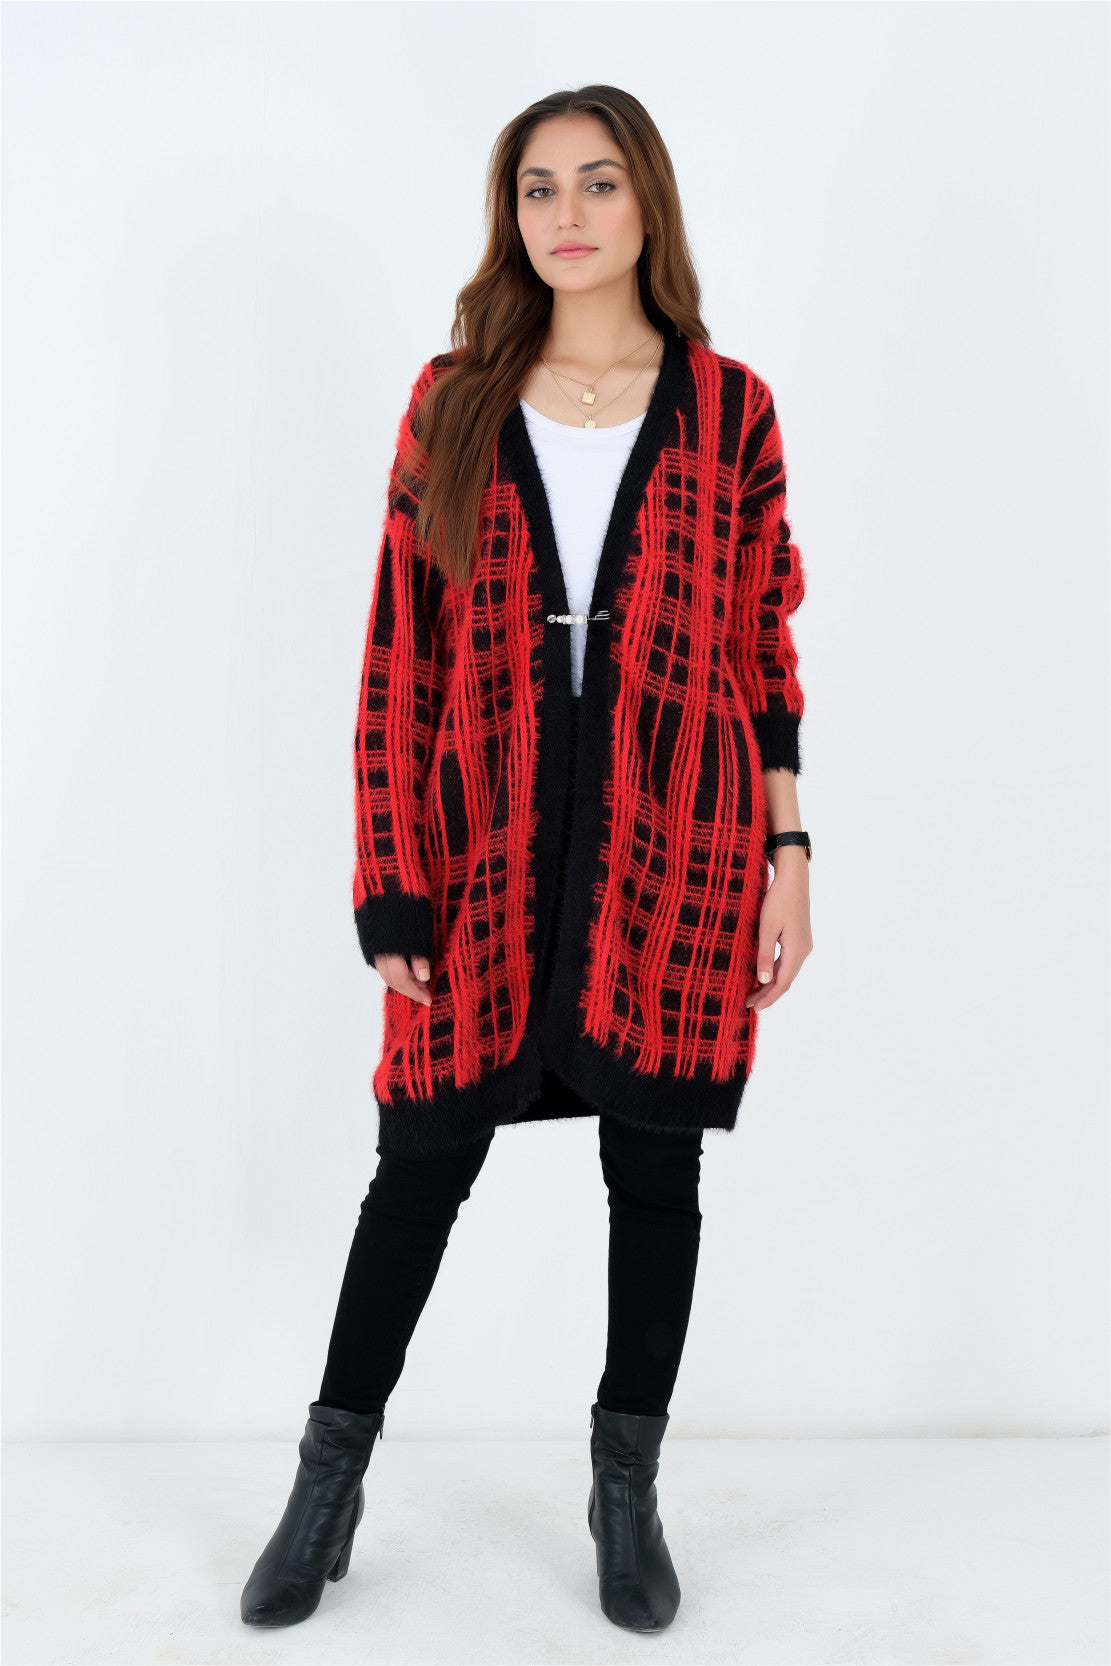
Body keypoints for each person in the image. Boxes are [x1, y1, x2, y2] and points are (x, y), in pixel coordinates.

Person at [241, 83, 813, 1636]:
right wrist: (388, 872)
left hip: (678, 847)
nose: (568, 213)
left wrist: (790, 846)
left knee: (658, 1169)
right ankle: (325, 1486)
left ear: (648, 204)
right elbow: (398, 653)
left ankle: (627, 1491)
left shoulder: (730, 410)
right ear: (513, 217)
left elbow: (762, 643)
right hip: (479, 845)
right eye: (540, 187)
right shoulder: (454, 402)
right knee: (419, 1165)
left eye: (598, 182)